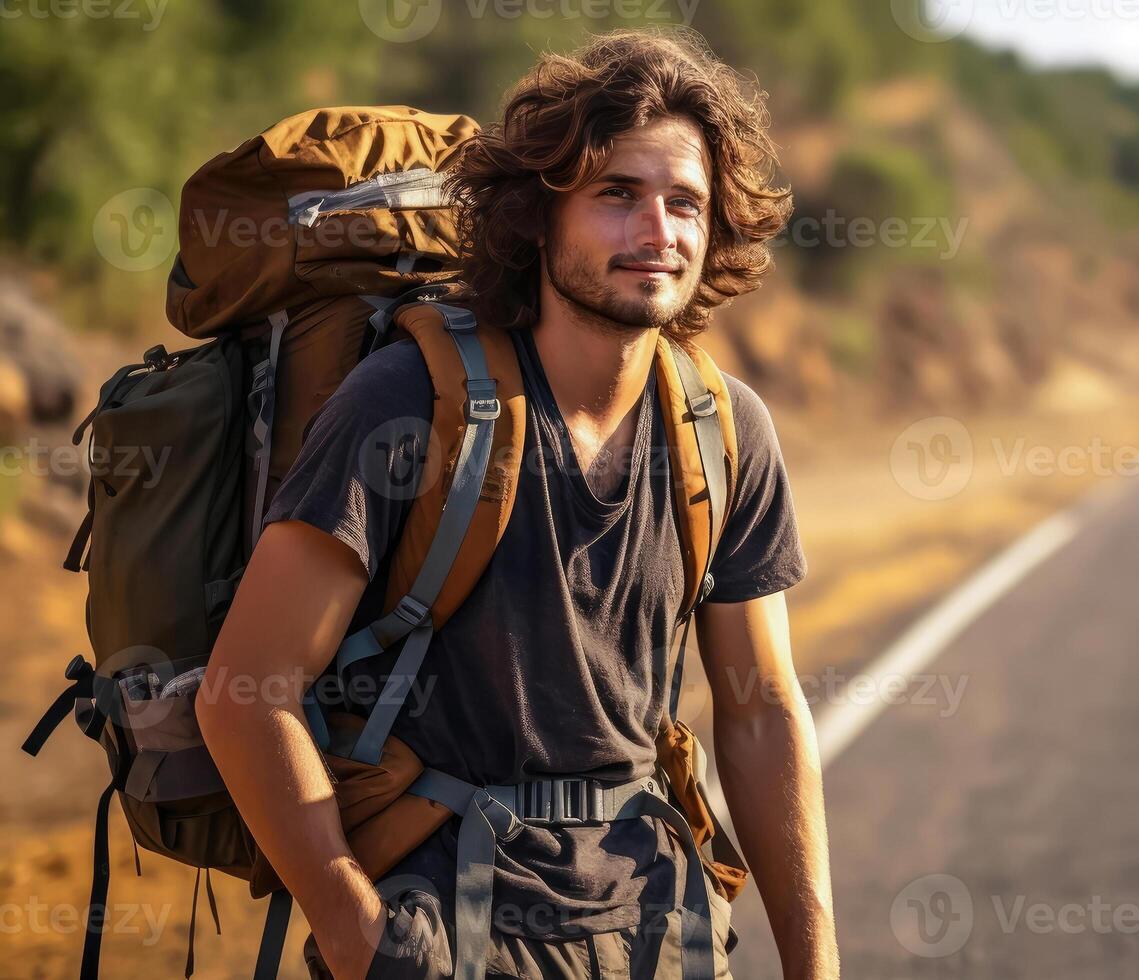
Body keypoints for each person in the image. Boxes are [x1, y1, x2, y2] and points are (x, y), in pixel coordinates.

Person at [196, 28, 839, 980]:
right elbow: (245, 692)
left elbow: (760, 710)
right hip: (447, 923)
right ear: (540, 219)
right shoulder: (405, 401)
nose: (657, 233)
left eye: (685, 203)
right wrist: (355, 931)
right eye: (616, 194)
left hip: (660, 926)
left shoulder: (723, 428)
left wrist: (814, 964)